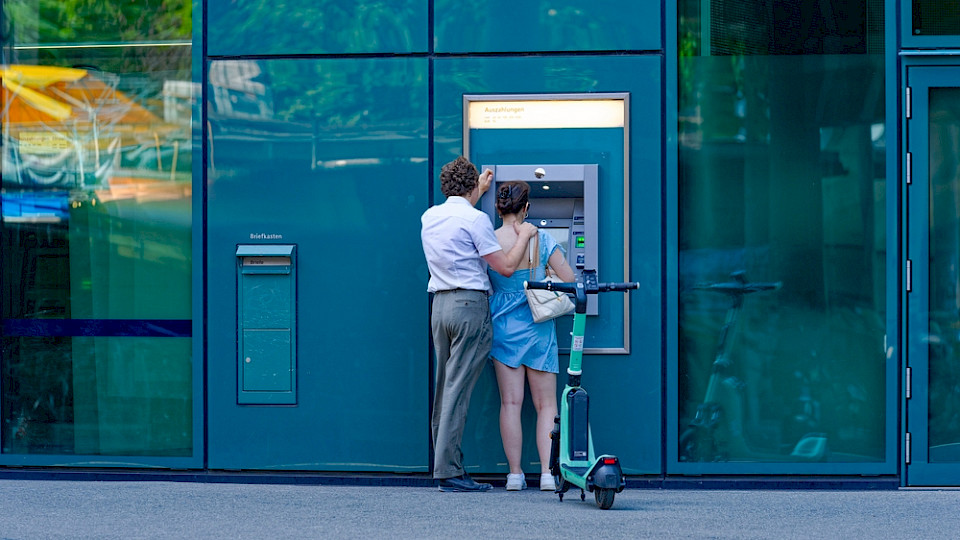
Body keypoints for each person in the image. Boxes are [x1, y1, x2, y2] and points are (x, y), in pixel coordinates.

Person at [420, 157, 538, 493]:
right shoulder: (476, 220)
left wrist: (478, 190)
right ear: (473, 187)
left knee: (445, 386)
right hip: (469, 306)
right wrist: (526, 235)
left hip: (440, 306)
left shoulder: (430, 216)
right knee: (458, 390)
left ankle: (445, 465)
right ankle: (449, 471)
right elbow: (505, 267)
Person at [487, 180, 576, 492]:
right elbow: (570, 279)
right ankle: (548, 475)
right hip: (538, 327)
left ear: (499, 209)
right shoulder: (545, 238)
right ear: (526, 208)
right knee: (545, 404)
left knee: (510, 403)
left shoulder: (491, 241)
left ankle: (514, 475)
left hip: (503, 328)